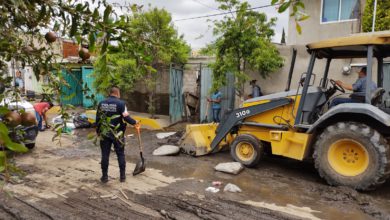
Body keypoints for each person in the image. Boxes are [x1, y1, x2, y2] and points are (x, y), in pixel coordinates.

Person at [96, 86, 139, 183]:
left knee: (105, 155)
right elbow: (126, 117)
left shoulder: (101, 103)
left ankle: (104, 177)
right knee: (120, 154)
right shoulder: (121, 103)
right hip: (117, 133)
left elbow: (98, 119)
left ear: (110, 93)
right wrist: (135, 122)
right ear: (117, 93)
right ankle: (122, 177)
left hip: (105, 133)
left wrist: (98, 132)